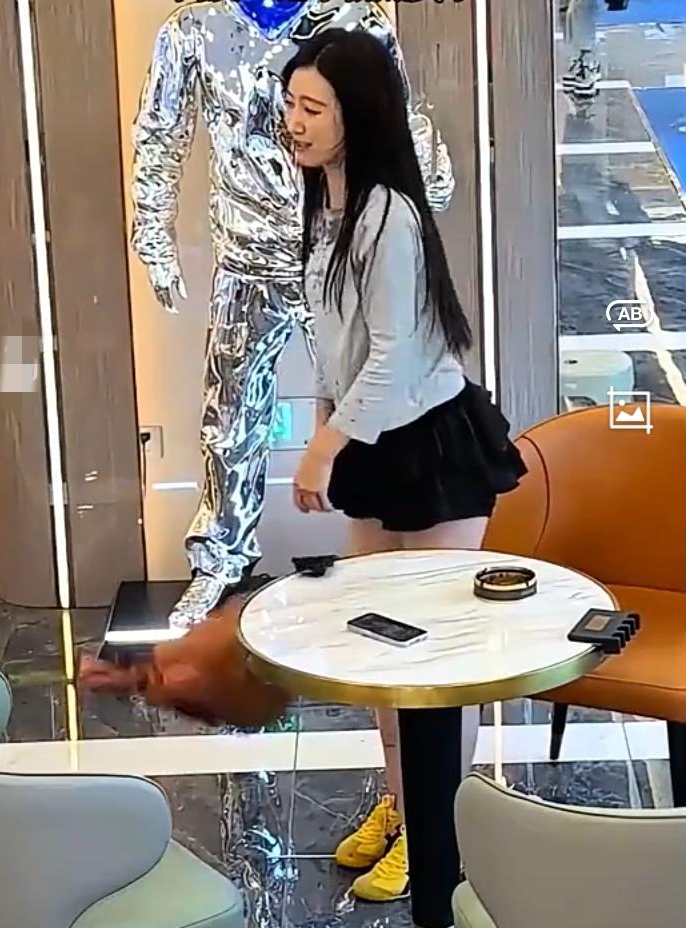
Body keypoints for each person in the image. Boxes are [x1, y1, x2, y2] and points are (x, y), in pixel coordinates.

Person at [282, 29, 528, 903]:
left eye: (314, 107)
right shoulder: (328, 206)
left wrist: (322, 447)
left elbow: (392, 355)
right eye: (291, 104)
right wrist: (327, 426)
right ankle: (401, 803)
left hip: (429, 444)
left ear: (359, 115)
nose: (295, 122)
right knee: (379, 648)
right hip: (371, 441)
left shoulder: (388, 213)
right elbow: (335, 345)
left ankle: (438, 831)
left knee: (435, 659)